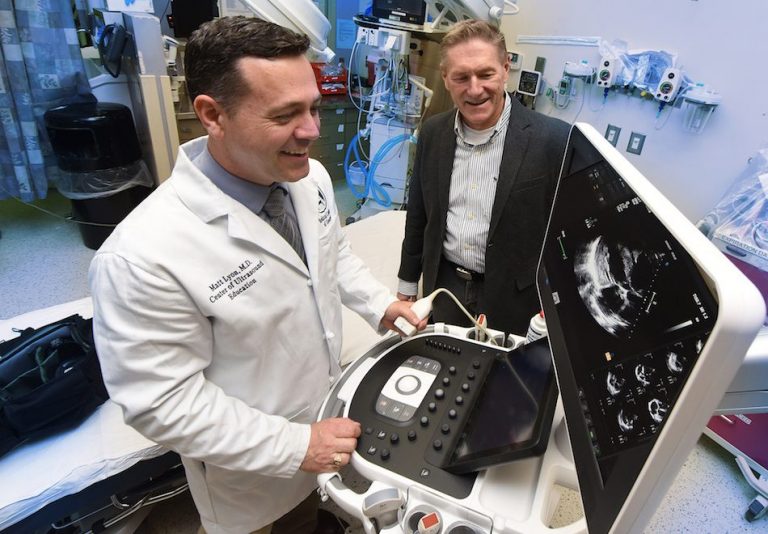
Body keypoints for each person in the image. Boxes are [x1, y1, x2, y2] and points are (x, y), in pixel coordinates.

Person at [89, 16, 424, 534]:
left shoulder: (306, 175)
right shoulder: (141, 257)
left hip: (325, 419)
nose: (312, 131)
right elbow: (163, 404)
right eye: (286, 114)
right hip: (246, 467)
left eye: (314, 107)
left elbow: (332, 255)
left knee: (305, 518)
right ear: (211, 114)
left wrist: (381, 304)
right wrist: (297, 445)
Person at [397, 19, 570, 336]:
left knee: (504, 377)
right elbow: (419, 212)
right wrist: (407, 283)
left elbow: (566, 232)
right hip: (444, 285)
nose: (474, 89)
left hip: (514, 295)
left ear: (506, 68)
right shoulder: (433, 132)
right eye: (461, 77)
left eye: (486, 74)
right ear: (446, 79)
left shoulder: (554, 140)